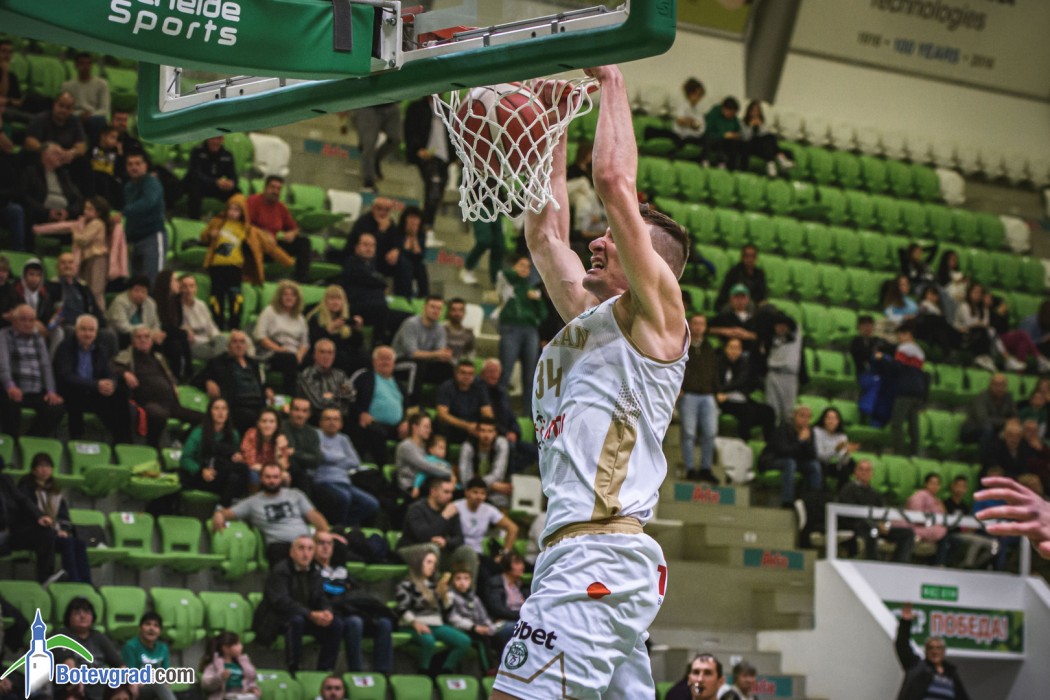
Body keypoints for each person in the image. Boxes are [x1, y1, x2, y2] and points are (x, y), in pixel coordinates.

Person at [492, 66, 689, 700]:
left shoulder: (657, 324)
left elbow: (612, 182)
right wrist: (551, 124)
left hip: (597, 552)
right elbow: (544, 232)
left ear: (648, 265)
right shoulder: (589, 317)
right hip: (581, 552)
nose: (597, 242)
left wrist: (608, 77)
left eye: (612, 237)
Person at [253, 535, 345, 674]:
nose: (306, 553)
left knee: (336, 623)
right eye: (301, 548)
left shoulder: (315, 572)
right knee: (296, 620)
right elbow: (281, 602)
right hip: (277, 619)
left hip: (306, 616)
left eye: (310, 549)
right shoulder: (280, 571)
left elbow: (321, 597)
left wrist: (327, 611)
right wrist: (310, 614)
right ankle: (294, 668)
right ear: (292, 552)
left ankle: (325, 670)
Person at [201, 194, 293, 331]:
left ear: (243, 212)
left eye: (236, 210)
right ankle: (217, 327)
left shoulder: (249, 230)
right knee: (216, 298)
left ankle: (234, 327)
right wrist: (210, 234)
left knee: (235, 299)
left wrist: (287, 260)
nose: (232, 212)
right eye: (230, 208)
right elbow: (203, 237)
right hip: (217, 266)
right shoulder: (217, 223)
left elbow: (270, 247)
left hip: (235, 268)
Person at [212, 462, 332, 567]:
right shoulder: (252, 502)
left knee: (332, 543)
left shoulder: (295, 494)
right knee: (279, 552)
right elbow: (227, 513)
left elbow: (314, 516)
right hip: (280, 545)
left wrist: (325, 534)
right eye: (268, 477)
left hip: (305, 542)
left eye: (275, 477)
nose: (272, 481)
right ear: (261, 478)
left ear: (281, 478)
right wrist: (219, 515)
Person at [312, 531, 395, 675]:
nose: (325, 547)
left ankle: (383, 674)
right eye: (321, 543)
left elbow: (356, 593)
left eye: (329, 544)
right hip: (335, 613)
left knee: (384, 623)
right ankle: (356, 672)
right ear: (313, 547)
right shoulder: (312, 571)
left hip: (351, 608)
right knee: (355, 622)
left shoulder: (341, 570)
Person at [112, 326, 204, 447]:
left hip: (171, 404)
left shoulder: (158, 357)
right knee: (158, 414)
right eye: (139, 337)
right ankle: (152, 446)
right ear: (132, 341)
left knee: (205, 419)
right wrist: (125, 373)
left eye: (146, 337)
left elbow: (169, 375)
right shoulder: (127, 356)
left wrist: (172, 385)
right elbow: (112, 367)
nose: (143, 340)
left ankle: (180, 442)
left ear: (151, 341)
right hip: (147, 402)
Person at [52, 314, 130, 443]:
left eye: (91, 330)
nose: (87, 334)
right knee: (75, 395)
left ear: (96, 333)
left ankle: (124, 442)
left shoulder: (100, 350)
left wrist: (111, 384)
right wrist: (96, 384)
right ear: (76, 330)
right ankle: (76, 441)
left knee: (120, 395)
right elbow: (65, 376)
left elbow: (109, 373)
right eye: (83, 329)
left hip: (93, 392)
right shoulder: (65, 347)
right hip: (71, 392)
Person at [17, 452, 91, 584]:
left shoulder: (55, 492)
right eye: (40, 466)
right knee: (67, 543)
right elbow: (28, 513)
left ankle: (86, 581)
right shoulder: (26, 488)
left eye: (47, 466)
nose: (44, 470)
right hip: (35, 533)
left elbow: (63, 515)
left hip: (54, 532)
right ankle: (73, 579)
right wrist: (55, 531)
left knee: (79, 544)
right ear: (34, 470)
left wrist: (63, 530)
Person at [394, 549, 472, 674]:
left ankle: (445, 670)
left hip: (436, 624)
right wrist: (414, 623)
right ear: (418, 563)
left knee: (464, 641)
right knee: (428, 641)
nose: (432, 567)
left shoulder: (435, 585)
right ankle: (423, 671)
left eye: (434, 563)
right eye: (429, 562)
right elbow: (402, 608)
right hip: (411, 624)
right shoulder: (406, 585)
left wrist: (445, 596)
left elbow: (447, 611)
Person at [32, 197, 110, 309]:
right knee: (86, 288)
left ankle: (99, 313)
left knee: (96, 290)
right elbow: (61, 227)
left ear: (99, 212)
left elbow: (83, 240)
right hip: (87, 259)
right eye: (85, 208)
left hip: (97, 258)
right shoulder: (84, 223)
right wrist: (40, 229)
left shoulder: (97, 223)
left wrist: (75, 231)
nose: (85, 211)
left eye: (90, 209)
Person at [0, 304, 65, 437]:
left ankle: (31, 439)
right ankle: (12, 439)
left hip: (36, 391)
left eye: (31, 320)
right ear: (14, 320)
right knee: (9, 403)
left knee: (57, 408)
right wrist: (10, 386)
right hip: (13, 388)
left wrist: (51, 391)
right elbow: (3, 364)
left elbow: (46, 366)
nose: (28, 324)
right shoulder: (4, 335)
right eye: (23, 319)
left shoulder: (38, 338)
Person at [495, 255, 547, 416]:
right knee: (505, 372)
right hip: (511, 328)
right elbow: (503, 274)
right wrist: (515, 272)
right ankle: (501, 413)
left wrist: (537, 300)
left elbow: (543, 314)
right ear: (513, 266)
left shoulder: (532, 289)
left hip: (530, 331)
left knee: (530, 376)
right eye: (521, 265)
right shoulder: (507, 283)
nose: (524, 269)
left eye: (528, 267)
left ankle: (527, 415)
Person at [834, 459, 914, 562]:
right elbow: (849, 514)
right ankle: (873, 563)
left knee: (908, 533)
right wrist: (875, 524)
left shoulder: (875, 494)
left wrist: (885, 525)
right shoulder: (848, 489)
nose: (864, 473)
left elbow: (883, 513)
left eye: (867, 470)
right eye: (861, 469)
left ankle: (899, 565)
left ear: (871, 473)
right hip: (857, 525)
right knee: (871, 529)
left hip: (876, 526)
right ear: (855, 472)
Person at [312, 407, 380, 528]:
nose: (332, 422)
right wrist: (341, 458)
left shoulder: (344, 439)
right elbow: (322, 456)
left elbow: (355, 462)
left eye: (336, 419)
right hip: (324, 480)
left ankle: (342, 525)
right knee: (344, 498)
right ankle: (336, 527)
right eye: (328, 419)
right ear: (320, 422)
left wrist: (331, 459)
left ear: (341, 424)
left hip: (344, 482)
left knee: (372, 504)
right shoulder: (315, 435)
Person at [399, 475, 478, 575]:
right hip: (410, 550)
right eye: (446, 492)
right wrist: (444, 517)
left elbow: (460, 539)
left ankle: (468, 585)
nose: (450, 496)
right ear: (433, 492)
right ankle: (434, 585)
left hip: (438, 551)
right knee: (432, 549)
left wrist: (446, 542)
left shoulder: (450, 511)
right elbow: (423, 537)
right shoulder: (416, 509)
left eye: (451, 492)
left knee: (467, 551)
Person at [200, 330, 272, 434]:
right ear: (228, 345)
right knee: (251, 419)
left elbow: (262, 383)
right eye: (235, 342)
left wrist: (267, 389)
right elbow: (195, 379)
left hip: (258, 405)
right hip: (237, 407)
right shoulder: (218, 362)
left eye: (242, 342)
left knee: (275, 417)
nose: (239, 345)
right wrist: (208, 381)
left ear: (246, 346)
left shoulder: (253, 363)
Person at [894, 603, 971, 700]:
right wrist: (905, 622)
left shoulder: (951, 675)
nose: (935, 651)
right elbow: (902, 646)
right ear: (926, 651)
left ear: (943, 651)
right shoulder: (916, 667)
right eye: (931, 648)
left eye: (938, 648)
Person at [179, 398, 247, 507]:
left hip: (223, 473)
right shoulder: (199, 432)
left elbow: (233, 456)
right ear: (210, 412)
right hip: (203, 475)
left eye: (224, 409)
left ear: (228, 412)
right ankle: (224, 508)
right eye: (216, 408)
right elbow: (185, 459)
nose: (220, 412)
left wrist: (236, 457)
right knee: (238, 474)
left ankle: (221, 507)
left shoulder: (234, 434)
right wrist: (201, 470)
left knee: (239, 472)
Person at [54, 598, 124, 700]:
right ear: (69, 617)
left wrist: (130, 682)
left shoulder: (98, 637)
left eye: (87, 612)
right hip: (74, 687)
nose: (82, 616)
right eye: (77, 613)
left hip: (101, 686)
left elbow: (118, 663)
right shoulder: (61, 635)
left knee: (123, 693)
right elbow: (66, 661)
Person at [349, 345, 407, 465]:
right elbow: (348, 398)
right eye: (382, 358)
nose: (385, 362)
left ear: (394, 363)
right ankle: (384, 468)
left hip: (396, 428)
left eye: (388, 359)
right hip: (371, 424)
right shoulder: (364, 377)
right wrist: (361, 413)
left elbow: (409, 406)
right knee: (376, 432)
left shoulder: (399, 384)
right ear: (374, 361)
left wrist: (406, 421)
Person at [874, 323, 927, 457]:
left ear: (907, 334)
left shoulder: (904, 348)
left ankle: (899, 452)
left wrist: (883, 359)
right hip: (918, 390)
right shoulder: (920, 351)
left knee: (897, 423)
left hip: (905, 388)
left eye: (899, 336)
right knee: (913, 424)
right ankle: (915, 452)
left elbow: (897, 367)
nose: (898, 339)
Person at [247, 175, 311, 283]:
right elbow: (244, 224)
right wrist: (263, 234)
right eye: (273, 187)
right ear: (265, 188)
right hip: (255, 244)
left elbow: (294, 228)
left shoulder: (281, 207)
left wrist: (292, 233)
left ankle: (301, 281)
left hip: (273, 246)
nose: (275, 191)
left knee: (304, 242)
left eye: (279, 189)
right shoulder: (253, 201)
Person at [679, 314, 719, 483]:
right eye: (695, 323)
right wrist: (678, 387)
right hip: (689, 394)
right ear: (689, 325)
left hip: (708, 395)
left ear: (705, 327)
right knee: (688, 433)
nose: (698, 327)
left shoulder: (710, 347)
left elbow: (715, 371)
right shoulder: (682, 345)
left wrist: (717, 391)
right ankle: (689, 468)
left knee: (710, 433)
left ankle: (705, 468)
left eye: (702, 324)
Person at [454, 476, 519, 578]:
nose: (479, 496)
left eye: (483, 493)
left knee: (498, 570)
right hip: (459, 551)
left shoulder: (488, 509)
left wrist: (504, 554)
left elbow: (513, 528)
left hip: (479, 553)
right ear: (467, 493)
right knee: (483, 574)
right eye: (475, 492)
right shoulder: (456, 507)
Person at [253, 279, 310, 395]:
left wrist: (300, 355)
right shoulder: (269, 311)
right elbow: (260, 336)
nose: (289, 298)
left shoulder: (300, 317)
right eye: (286, 295)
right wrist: (278, 349)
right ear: (280, 297)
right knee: (290, 360)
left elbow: (305, 343)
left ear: (297, 298)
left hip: (295, 354)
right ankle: (291, 396)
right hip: (272, 352)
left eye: (293, 295)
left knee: (316, 359)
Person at [404, 95, 451, 234]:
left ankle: (427, 225)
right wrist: (417, 149)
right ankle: (426, 226)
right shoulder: (417, 107)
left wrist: (455, 156)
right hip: (427, 156)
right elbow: (409, 129)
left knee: (439, 191)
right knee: (434, 188)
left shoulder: (447, 110)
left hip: (444, 158)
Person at [446, 565, 507, 671]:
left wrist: (489, 627)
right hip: (461, 629)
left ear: (470, 581)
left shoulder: (474, 598)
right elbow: (453, 618)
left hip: (478, 628)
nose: (462, 582)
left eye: (466, 578)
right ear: (452, 581)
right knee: (483, 640)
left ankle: (504, 669)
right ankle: (489, 670)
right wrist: (474, 627)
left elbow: (484, 617)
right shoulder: (450, 596)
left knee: (499, 638)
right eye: (458, 578)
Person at [974, 475, 1050, 559]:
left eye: (1037, 484)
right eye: (1033, 485)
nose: (1037, 488)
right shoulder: (1011, 505)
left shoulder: (1046, 504)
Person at [761, 405, 822, 508]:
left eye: (808, 417)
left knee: (814, 465)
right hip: (773, 460)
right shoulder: (783, 428)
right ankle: (787, 501)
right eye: (802, 416)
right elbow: (784, 451)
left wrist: (807, 442)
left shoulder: (809, 432)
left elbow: (813, 455)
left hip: (796, 461)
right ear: (794, 416)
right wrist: (800, 441)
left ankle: (814, 501)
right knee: (789, 462)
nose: (805, 420)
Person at [715, 337, 774, 441]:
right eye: (731, 347)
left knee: (768, 411)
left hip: (739, 397)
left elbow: (741, 381)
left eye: (737, 348)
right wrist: (718, 393)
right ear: (725, 349)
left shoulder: (745, 363)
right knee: (745, 412)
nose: (734, 351)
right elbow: (713, 382)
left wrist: (723, 390)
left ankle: (769, 443)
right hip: (721, 400)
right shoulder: (718, 363)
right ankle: (744, 440)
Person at [391, 295, 453, 391]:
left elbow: (440, 352)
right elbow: (412, 354)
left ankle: (442, 399)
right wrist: (437, 354)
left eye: (439, 309)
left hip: (424, 363)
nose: (436, 311)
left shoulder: (440, 328)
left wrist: (445, 355)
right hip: (399, 361)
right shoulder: (411, 323)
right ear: (425, 307)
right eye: (433, 307)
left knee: (447, 368)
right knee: (417, 365)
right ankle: (413, 399)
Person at [121, 151, 166, 284]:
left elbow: (148, 202)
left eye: (137, 164)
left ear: (145, 166)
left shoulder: (152, 183)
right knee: (136, 283)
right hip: (134, 239)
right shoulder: (128, 187)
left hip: (152, 235)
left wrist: (124, 212)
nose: (133, 167)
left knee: (153, 280)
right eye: (130, 164)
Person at [306, 285, 367, 376]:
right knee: (341, 357)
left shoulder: (345, 318)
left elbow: (356, 344)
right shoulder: (316, 318)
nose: (335, 302)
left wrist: (357, 330)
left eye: (338, 299)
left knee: (364, 357)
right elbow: (313, 341)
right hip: (325, 352)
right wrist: (329, 329)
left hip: (344, 353)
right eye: (332, 299)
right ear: (325, 301)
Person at [642, 78, 706, 158]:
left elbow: (700, 128)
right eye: (696, 94)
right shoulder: (683, 106)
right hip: (678, 135)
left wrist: (692, 123)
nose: (698, 98)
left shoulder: (698, 111)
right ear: (690, 94)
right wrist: (691, 123)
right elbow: (681, 121)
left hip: (691, 137)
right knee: (656, 131)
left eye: (700, 95)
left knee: (704, 140)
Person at [434, 359, 493, 445]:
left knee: (488, 430)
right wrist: (466, 426)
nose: (467, 376)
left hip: (472, 427)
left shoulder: (480, 388)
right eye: (463, 373)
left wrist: (482, 427)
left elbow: (487, 413)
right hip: (452, 427)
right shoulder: (446, 387)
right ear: (455, 373)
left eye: (470, 374)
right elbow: (442, 415)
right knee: (440, 424)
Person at [458, 418, 512, 509]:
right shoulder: (468, 446)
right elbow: (465, 479)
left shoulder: (500, 443)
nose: (486, 435)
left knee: (504, 501)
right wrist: (492, 486)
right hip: (472, 492)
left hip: (494, 493)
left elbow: (498, 474)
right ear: (476, 432)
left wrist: (481, 483)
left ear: (495, 433)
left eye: (490, 431)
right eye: (482, 431)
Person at [961, 373, 1017, 460]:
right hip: (973, 430)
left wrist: (1011, 424)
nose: (999, 388)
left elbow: (1014, 416)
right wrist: (1005, 422)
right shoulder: (981, 397)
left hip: (996, 430)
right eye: (996, 385)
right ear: (990, 385)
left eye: (1002, 385)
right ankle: (986, 462)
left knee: (1016, 429)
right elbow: (982, 419)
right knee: (987, 428)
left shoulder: (1008, 397)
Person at [395, 412, 453, 495]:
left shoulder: (424, 446)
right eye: (426, 427)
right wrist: (449, 473)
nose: (430, 430)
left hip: (425, 483)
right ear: (415, 427)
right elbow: (425, 466)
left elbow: (434, 463)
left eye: (430, 427)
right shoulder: (406, 446)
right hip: (410, 487)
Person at [121, 613, 175, 700]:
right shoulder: (130, 646)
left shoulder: (163, 648)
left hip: (157, 690)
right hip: (136, 691)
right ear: (140, 628)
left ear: (160, 631)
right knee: (158, 685)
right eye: (147, 624)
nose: (151, 628)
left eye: (156, 626)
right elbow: (129, 676)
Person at [184, 136, 240, 220]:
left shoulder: (227, 154)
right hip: (202, 185)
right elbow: (194, 173)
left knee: (237, 192)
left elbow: (233, 174)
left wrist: (232, 183)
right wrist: (215, 182)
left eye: (219, 139)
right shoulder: (197, 151)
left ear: (222, 140)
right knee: (194, 185)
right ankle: (193, 219)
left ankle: (233, 220)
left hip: (218, 187)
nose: (215, 142)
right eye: (213, 139)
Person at [763, 310, 802, 425]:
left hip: (789, 375)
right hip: (773, 374)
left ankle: (786, 434)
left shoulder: (795, 336)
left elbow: (795, 325)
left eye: (783, 325)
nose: (780, 328)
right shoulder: (771, 338)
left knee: (788, 412)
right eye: (778, 325)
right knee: (772, 410)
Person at [178, 274, 228, 361]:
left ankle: (218, 362)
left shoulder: (201, 305)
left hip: (208, 341)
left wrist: (216, 338)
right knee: (225, 352)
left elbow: (211, 326)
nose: (189, 290)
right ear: (179, 289)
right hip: (193, 345)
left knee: (223, 339)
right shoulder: (176, 307)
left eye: (192, 286)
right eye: (185, 287)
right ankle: (220, 361)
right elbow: (187, 336)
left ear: (196, 288)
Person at [902, 473, 949, 563]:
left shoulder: (937, 500)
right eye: (932, 483)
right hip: (917, 527)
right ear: (926, 484)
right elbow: (916, 515)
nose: (935, 486)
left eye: (937, 484)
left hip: (930, 528)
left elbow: (944, 516)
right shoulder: (920, 495)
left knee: (945, 534)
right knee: (943, 533)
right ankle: (939, 564)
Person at [106, 274, 163, 348]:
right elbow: (122, 327)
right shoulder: (120, 302)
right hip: (123, 335)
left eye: (143, 291)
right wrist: (147, 332)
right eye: (136, 290)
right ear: (129, 290)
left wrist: (156, 333)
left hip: (146, 335)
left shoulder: (151, 303)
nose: (140, 294)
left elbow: (156, 324)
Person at [199, 631, 259, 700]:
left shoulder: (241, 664)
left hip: (242, 696)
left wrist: (253, 688)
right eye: (236, 644)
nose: (241, 646)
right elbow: (207, 685)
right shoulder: (215, 666)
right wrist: (220, 677)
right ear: (226, 648)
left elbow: (250, 680)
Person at [355, 103, 401, 192]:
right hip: (368, 106)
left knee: (395, 138)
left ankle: (375, 159)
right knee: (369, 144)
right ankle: (368, 182)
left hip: (391, 105)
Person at [240, 408, 291, 487]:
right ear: (258, 424)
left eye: (271, 422)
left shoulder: (280, 438)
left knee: (286, 477)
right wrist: (270, 472)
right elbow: (250, 463)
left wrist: (279, 449)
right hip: (255, 470)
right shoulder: (252, 434)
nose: (267, 425)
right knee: (254, 475)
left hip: (272, 471)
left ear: (277, 425)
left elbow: (284, 466)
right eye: (264, 421)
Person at [740, 100, 793, 177]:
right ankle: (780, 159)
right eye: (753, 110)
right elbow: (745, 138)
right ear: (749, 111)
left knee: (770, 137)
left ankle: (772, 164)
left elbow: (766, 134)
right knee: (769, 142)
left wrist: (760, 125)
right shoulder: (743, 123)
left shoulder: (762, 121)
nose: (755, 113)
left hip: (762, 146)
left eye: (757, 111)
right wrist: (751, 126)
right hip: (751, 146)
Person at [280, 397, 322, 492]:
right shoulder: (280, 427)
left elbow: (316, 460)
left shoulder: (312, 432)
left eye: (304, 411)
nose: (300, 414)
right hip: (282, 471)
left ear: (309, 414)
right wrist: (303, 457)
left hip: (305, 474)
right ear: (290, 411)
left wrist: (295, 453)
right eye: (296, 409)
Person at [812, 407, 858, 490]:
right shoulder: (817, 431)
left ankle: (842, 494)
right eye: (828, 418)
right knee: (820, 466)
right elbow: (819, 455)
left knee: (848, 466)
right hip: (820, 463)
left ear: (838, 421)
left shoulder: (842, 436)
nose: (831, 421)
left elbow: (843, 462)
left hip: (834, 465)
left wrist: (847, 453)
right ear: (823, 419)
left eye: (834, 419)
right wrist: (836, 450)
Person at [715, 245, 767, 310]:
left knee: (768, 308)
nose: (750, 259)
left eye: (752, 256)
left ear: (756, 258)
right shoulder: (734, 272)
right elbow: (726, 293)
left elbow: (761, 295)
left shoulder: (760, 274)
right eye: (747, 256)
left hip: (753, 303)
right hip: (732, 303)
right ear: (742, 258)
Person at [710, 285, 759, 353]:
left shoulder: (755, 318)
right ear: (730, 299)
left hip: (750, 353)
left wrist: (747, 335)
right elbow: (707, 329)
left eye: (743, 298)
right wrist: (725, 331)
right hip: (727, 352)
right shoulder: (723, 316)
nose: (740, 301)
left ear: (748, 300)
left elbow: (762, 335)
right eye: (736, 298)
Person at [704, 96, 745, 171]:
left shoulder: (734, 118)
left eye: (733, 113)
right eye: (730, 113)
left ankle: (734, 168)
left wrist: (736, 135)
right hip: (714, 140)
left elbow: (738, 130)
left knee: (739, 144)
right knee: (719, 142)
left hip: (729, 142)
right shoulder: (714, 114)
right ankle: (719, 163)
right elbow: (708, 132)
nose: (731, 115)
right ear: (724, 109)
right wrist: (723, 135)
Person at [443, 297, 475, 363]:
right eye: (454, 310)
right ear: (448, 312)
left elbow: (471, 352)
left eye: (460, 310)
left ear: (464, 313)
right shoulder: (441, 330)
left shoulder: (469, 332)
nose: (457, 313)